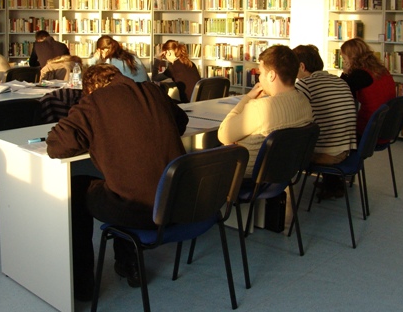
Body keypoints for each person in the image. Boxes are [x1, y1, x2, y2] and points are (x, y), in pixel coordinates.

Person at [46, 64, 188, 301]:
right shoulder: (153, 90)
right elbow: (180, 123)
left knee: (78, 187)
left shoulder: (93, 103)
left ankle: (83, 285)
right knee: (120, 179)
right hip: (178, 203)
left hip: (140, 211)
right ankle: (127, 261)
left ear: (89, 89)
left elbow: (56, 146)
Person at [217, 44, 313, 177]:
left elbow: (223, 134)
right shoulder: (304, 102)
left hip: (244, 176)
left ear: (271, 75)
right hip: (282, 175)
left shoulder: (260, 108)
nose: (259, 78)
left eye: (261, 73)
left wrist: (248, 98)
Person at [293, 44, 357, 198]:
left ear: (301, 66)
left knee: (281, 148)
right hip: (346, 151)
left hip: (327, 154)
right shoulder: (338, 80)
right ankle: (333, 184)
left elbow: (292, 116)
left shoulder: (304, 84)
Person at [340, 37, 396, 137]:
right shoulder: (380, 69)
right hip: (386, 127)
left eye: (344, 58)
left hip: (369, 131)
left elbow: (340, 92)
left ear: (352, 57)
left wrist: (345, 73)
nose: (344, 62)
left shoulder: (360, 74)